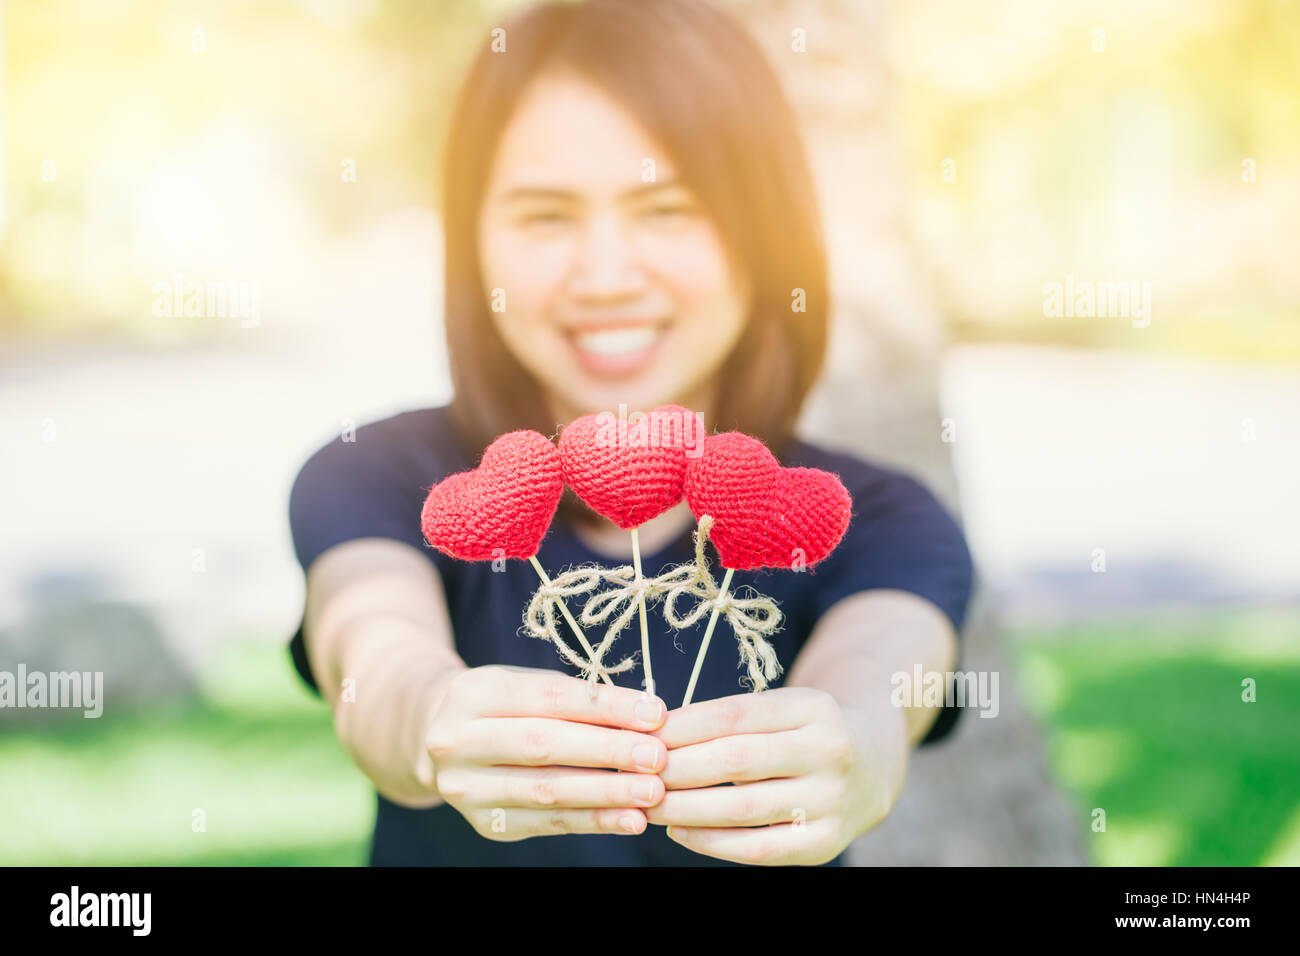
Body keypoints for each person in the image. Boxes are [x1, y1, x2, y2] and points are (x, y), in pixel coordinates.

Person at [287, 0, 973, 866]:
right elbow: (371, 658)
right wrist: (428, 718)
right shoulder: (380, 477)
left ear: (766, 236)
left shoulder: (878, 519)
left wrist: (861, 752)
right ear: (474, 246)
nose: (606, 276)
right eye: (546, 216)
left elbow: (880, 682)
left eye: (668, 208)